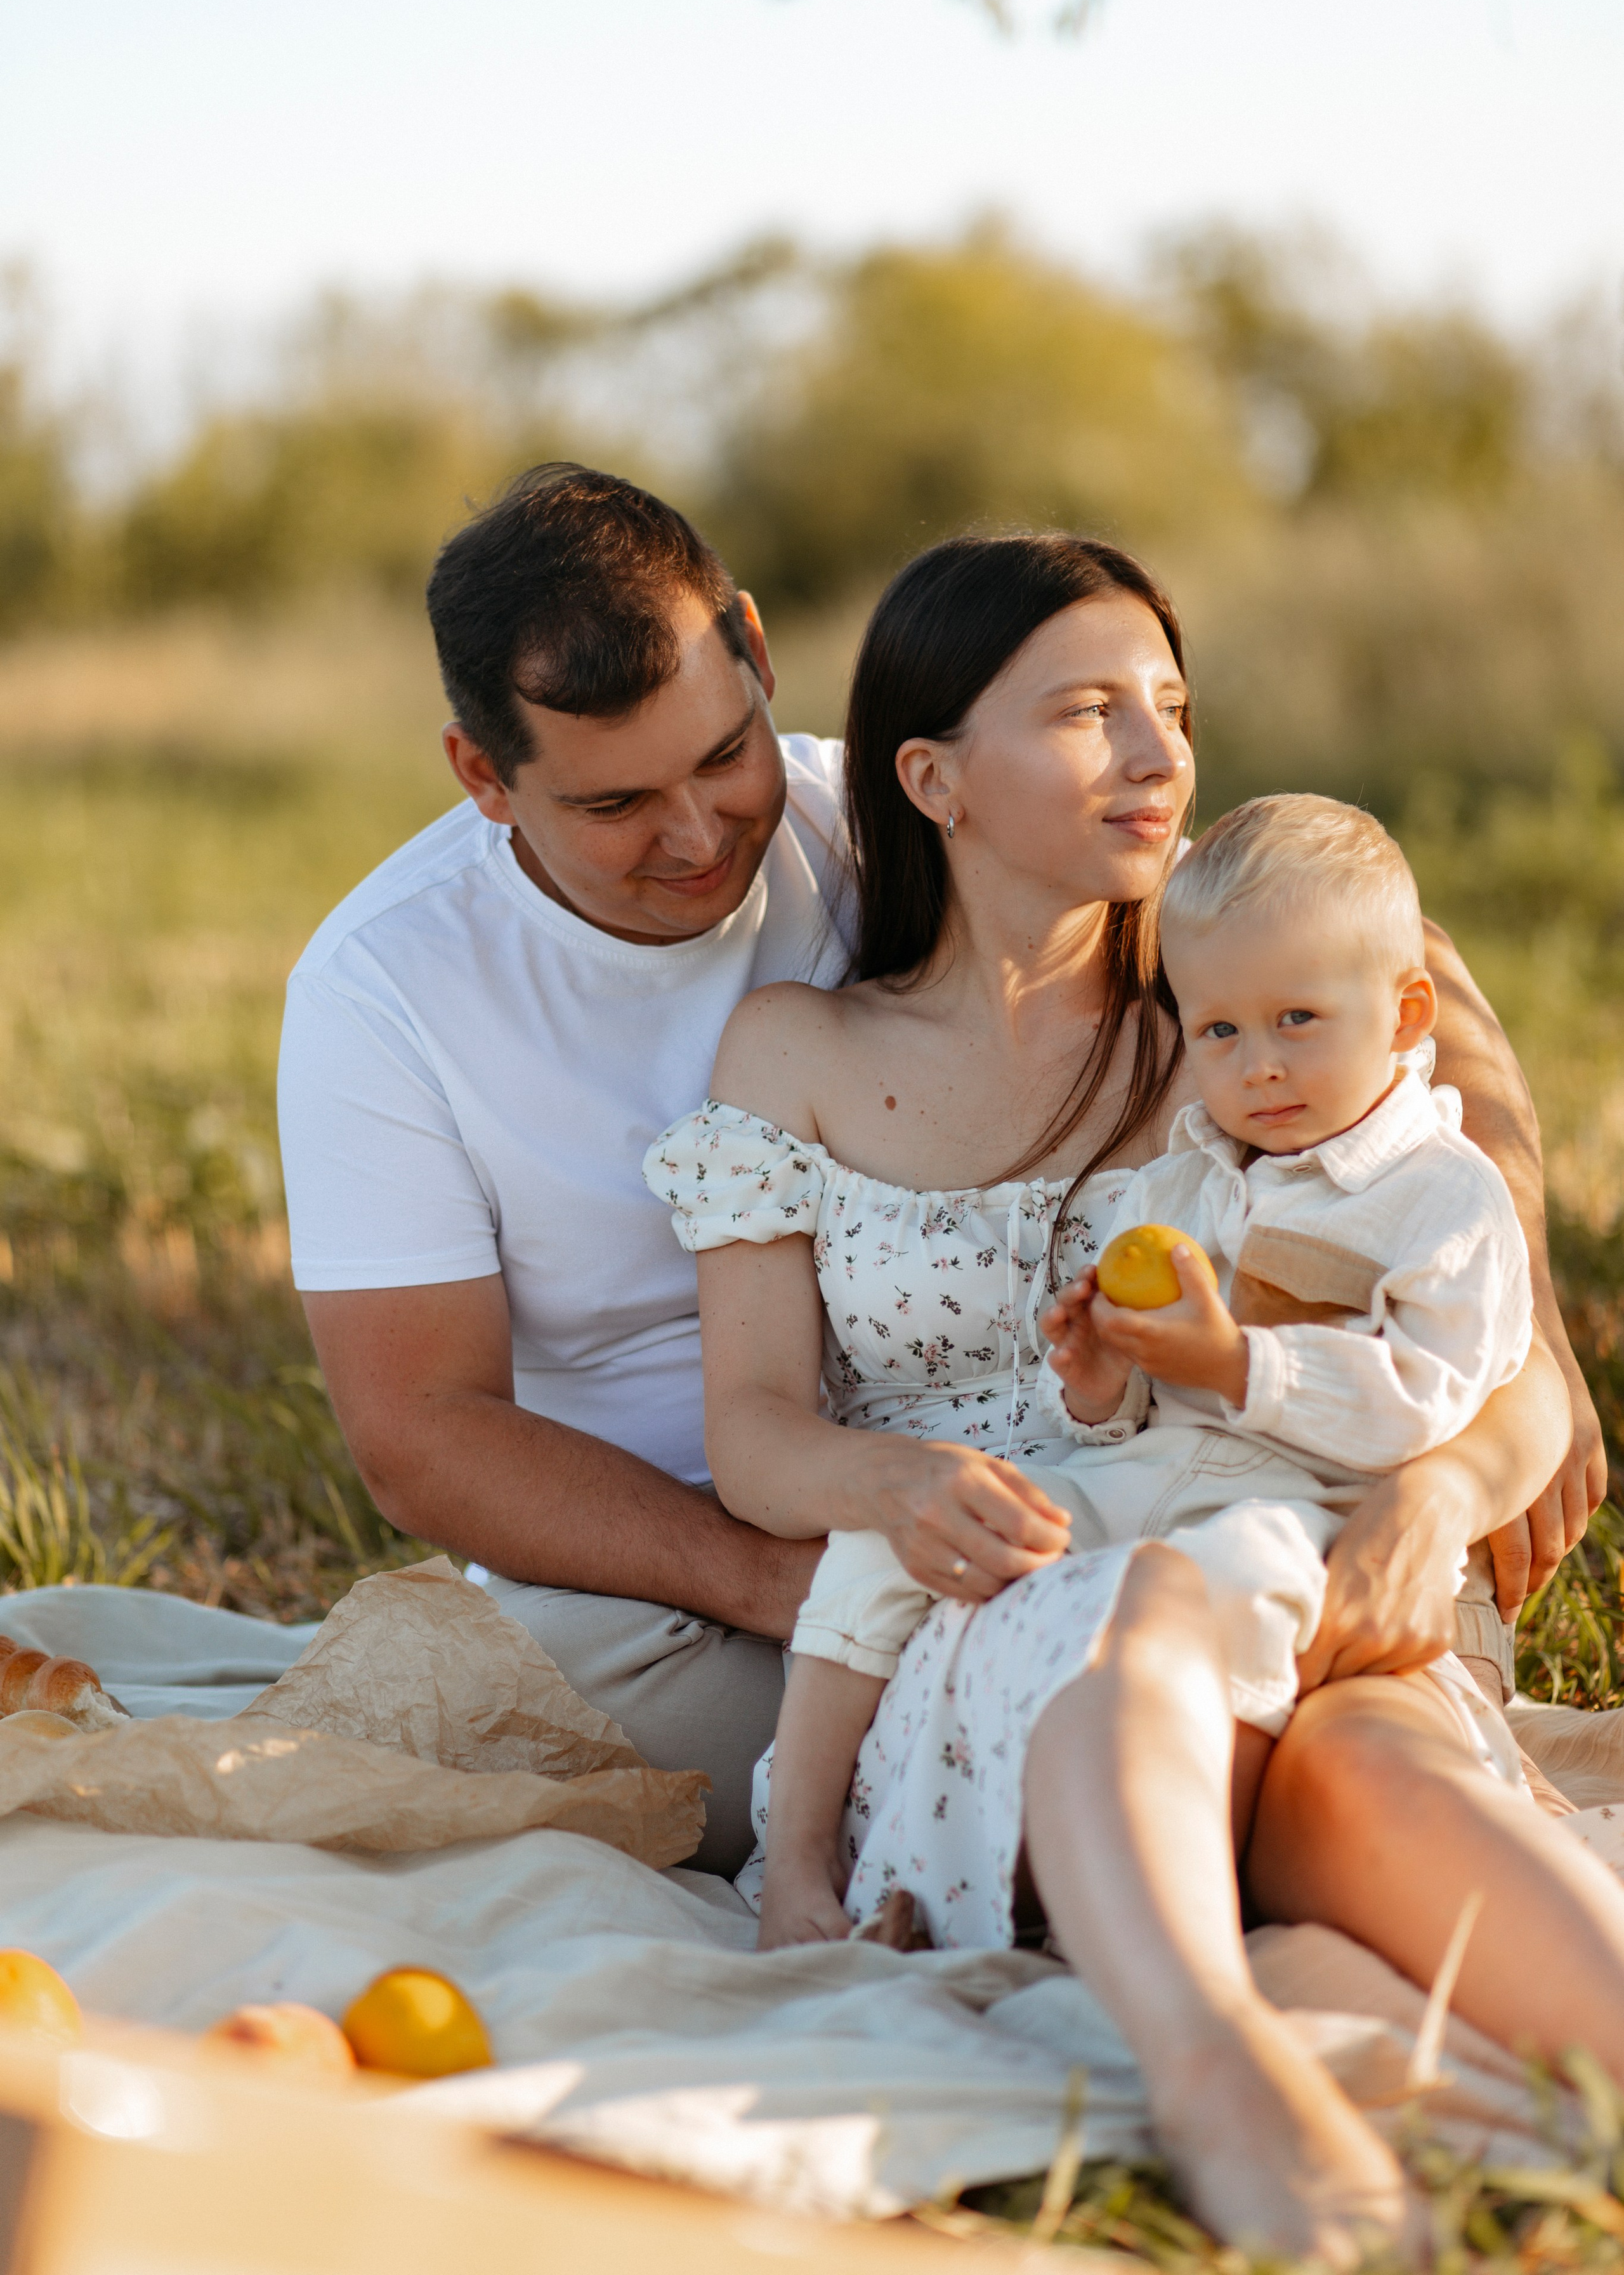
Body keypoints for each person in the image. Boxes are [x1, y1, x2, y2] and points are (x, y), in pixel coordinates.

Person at [278, 460, 1599, 1882]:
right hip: (663, 1568)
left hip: (1062, 1506)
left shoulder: (914, 813)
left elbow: (1376, 961)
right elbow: (419, 1428)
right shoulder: (384, 989)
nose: (700, 833)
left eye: (722, 756)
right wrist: (784, 1577)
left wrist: (1505, 1305)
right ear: (484, 773)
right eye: (614, 807)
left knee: (1237, 1737)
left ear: (756, 653)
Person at [653, 530, 1624, 2263]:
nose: (1162, 757)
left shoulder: (1262, 1018)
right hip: (1020, 1594)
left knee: (1383, 1776)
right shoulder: (797, 1058)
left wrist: (1446, 1493)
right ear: (931, 775)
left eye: (1170, 708)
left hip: (1327, 1583)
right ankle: (1224, 2077)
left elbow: (1523, 1386)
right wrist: (892, 1489)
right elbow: (755, 1434)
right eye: (1092, 713)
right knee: (1145, 1615)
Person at [712, 793, 1531, 1946]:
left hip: (1298, 1507)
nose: (1260, 1069)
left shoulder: (1441, 1194)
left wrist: (1242, 1364)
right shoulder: (1185, 1179)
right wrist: (1097, 1378)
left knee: (1218, 1590)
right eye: (1221, 1035)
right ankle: (800, 1867)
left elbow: (1432, 1396)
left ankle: (1163, 1889)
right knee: (886, 1550)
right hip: (1150, 1477)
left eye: (1300, 1019)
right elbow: (1124, 1411)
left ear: (1403, 1015)